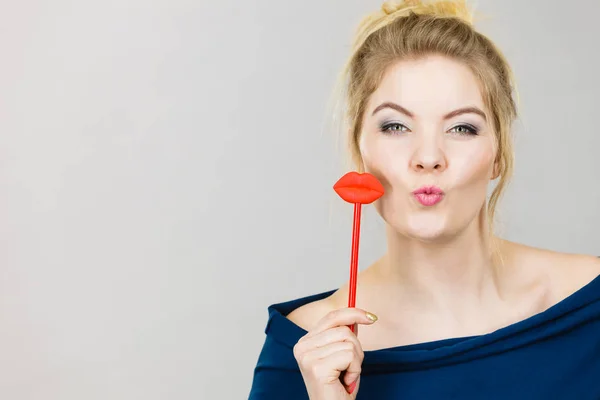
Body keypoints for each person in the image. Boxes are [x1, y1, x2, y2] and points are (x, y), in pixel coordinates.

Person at [248, 1, 600, 398]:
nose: (429, 157)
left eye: (462, 127)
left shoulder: (592, 303)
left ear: (499, 153)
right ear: (358, 147)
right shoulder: (303, 352)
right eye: (396, 126)